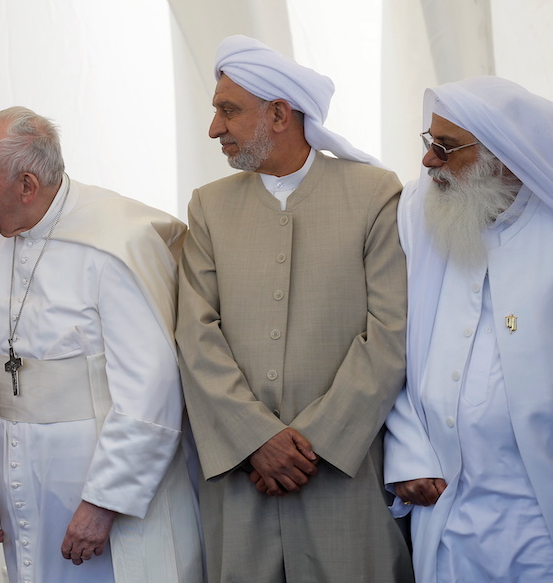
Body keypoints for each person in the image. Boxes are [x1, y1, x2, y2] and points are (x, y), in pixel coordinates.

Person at [176, 35, 414, 582]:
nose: (215, 128)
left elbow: (390, 335)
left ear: (279, 114)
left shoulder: (374, 193)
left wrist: (314, 445)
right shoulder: (209, 206)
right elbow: (195, 335)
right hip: (241, 476)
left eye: (228, 111)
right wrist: (257, 439)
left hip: (342, 473)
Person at [0, 106, 203, 583]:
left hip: (106, 495)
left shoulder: (116, 242)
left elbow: (150, 392)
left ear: (27, 185)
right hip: (23, 487)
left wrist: (103, 503)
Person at [384, 75, 553, 582]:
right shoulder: (423, 216)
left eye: (446, 148)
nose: (428, 161)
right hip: (447, 511)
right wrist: (406, 449)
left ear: (502, 156)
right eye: (428, 142)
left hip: (534, 520)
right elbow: (394, 346)